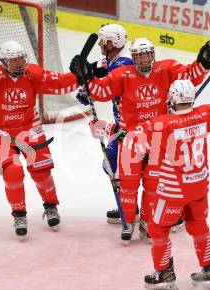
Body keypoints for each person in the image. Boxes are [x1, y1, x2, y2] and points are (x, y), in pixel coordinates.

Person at [70, 37, 210, 242]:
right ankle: (129, 221)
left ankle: (147, 223)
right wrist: (87, 78)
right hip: (130, 140)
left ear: (153, 55)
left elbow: (189, 76)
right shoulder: (122, 74)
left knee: (153, 186)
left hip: (157, 140)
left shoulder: (166, 69)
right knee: (128, 185)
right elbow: (102, 91)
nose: (143, 60)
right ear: (133, 57)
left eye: (146, 55)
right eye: (139, 56)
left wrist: (204, 61)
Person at [123, 65, 210, 289]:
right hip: (199, 186)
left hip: (172, 191)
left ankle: (164, 273)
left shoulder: (161, 123)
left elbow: (134, 141)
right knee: (199, 225)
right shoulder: (205, 113)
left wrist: (117, 130)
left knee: (158, 229)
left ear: (172, 99)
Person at [0, 40, 78, 239]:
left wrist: (79, 76)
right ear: (3, 62)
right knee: (13, 171)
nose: (19, 64)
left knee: (42, 171)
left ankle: (51, 206)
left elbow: (57, 83)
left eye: (21, 59)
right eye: (13, 61)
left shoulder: (31, 73)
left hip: (29, 128)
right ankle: (19, 214)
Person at [75, 24, 136, 225]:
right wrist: (88, 83)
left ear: (114, 42)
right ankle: (129, 207)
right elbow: (103, 71)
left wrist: (91, 88)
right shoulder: (114, 58)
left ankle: (171, 214)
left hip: (137, 124)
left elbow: (110, 88)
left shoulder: (124, 63)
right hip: (124, 121)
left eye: (104, 41)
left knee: (134, 167)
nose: (100, 44)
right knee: (114, 164)